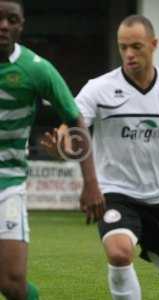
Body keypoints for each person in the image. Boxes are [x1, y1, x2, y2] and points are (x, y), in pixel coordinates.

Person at [42, 15, 159, 300]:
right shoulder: (99, 88)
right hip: (116, 192)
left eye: (137, 46)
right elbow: (71, 127)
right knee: (118, 251)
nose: (129, 54)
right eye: (123, 47)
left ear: (153, 45)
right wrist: (62, 145)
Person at [0, 1, 104, 299]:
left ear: (21, 25)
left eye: (11, 19)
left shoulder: (37, 70)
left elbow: (75, 121)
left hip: (8, 183)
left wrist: (92, 184)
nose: (3, 25)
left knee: (12, 284)